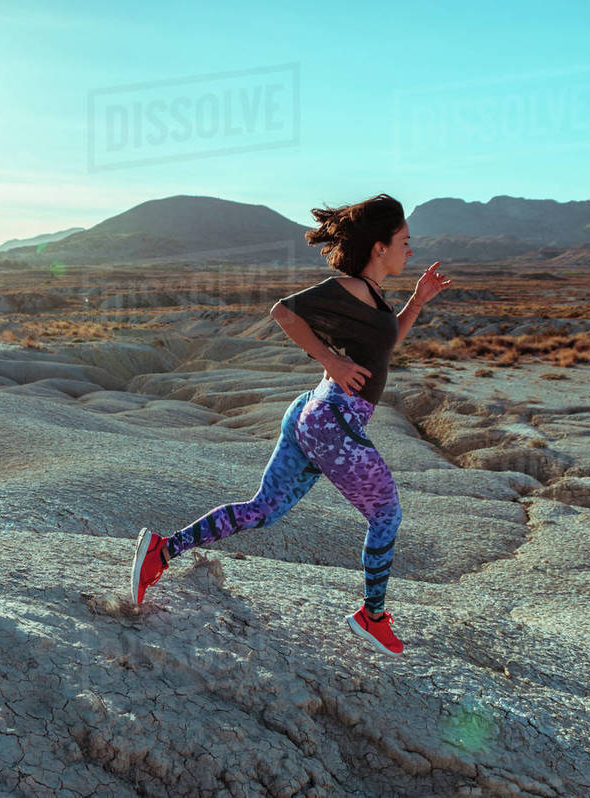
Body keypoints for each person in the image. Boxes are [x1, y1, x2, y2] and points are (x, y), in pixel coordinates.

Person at [130, 193, 451, 656]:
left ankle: (161, 551)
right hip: (334, 418)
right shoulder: (348, 287)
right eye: (404, 240)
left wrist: (418, 301)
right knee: (386, 514)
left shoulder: (374, 295)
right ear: (379, 247)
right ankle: (372, 616)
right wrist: (328, 359)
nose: (410, 249)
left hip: (317, 413)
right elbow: (284, 312)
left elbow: (383, 347)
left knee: (264, 510)